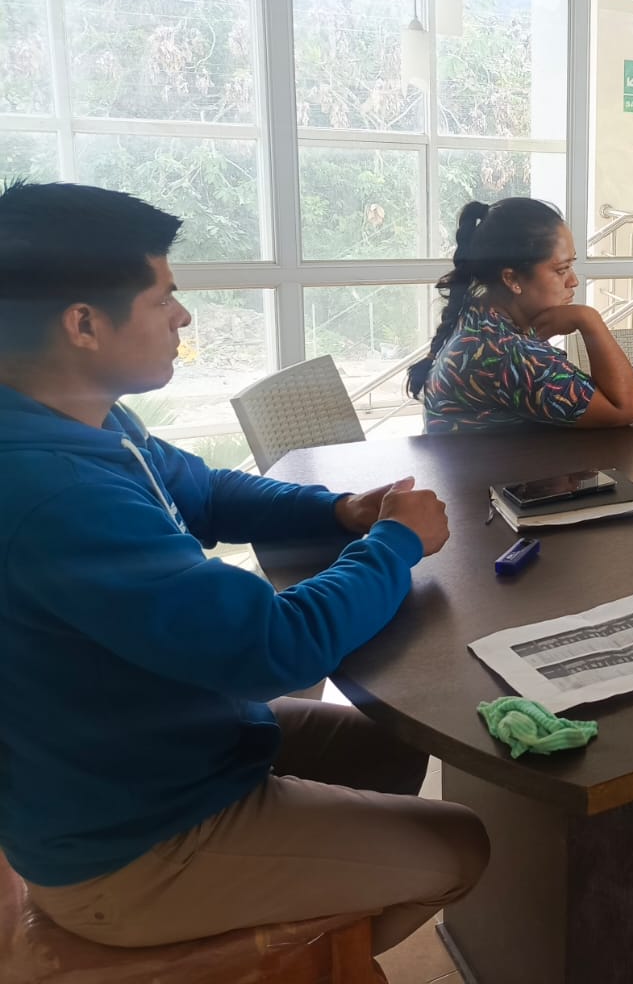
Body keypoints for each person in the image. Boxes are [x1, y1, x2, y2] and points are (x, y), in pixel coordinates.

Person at [0, 181, 488, 954]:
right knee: (461, 847)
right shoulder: (51, 491)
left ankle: (305, 919)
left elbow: (205, 491)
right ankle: (276, 958)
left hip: (171, 748)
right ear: (84, 324)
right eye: (163, 298)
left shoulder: (80, 416)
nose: (182, 317)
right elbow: (274, 646)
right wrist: (395, 543)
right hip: (133, 843)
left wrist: (340, 511)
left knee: (391, 743)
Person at [409, 197, 633, 433]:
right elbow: (624, 409)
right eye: (561, 270)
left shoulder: (478, 315)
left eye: (571, 265)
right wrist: (589, 320)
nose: (573, 281)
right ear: (512, 279)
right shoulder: (505, 352)